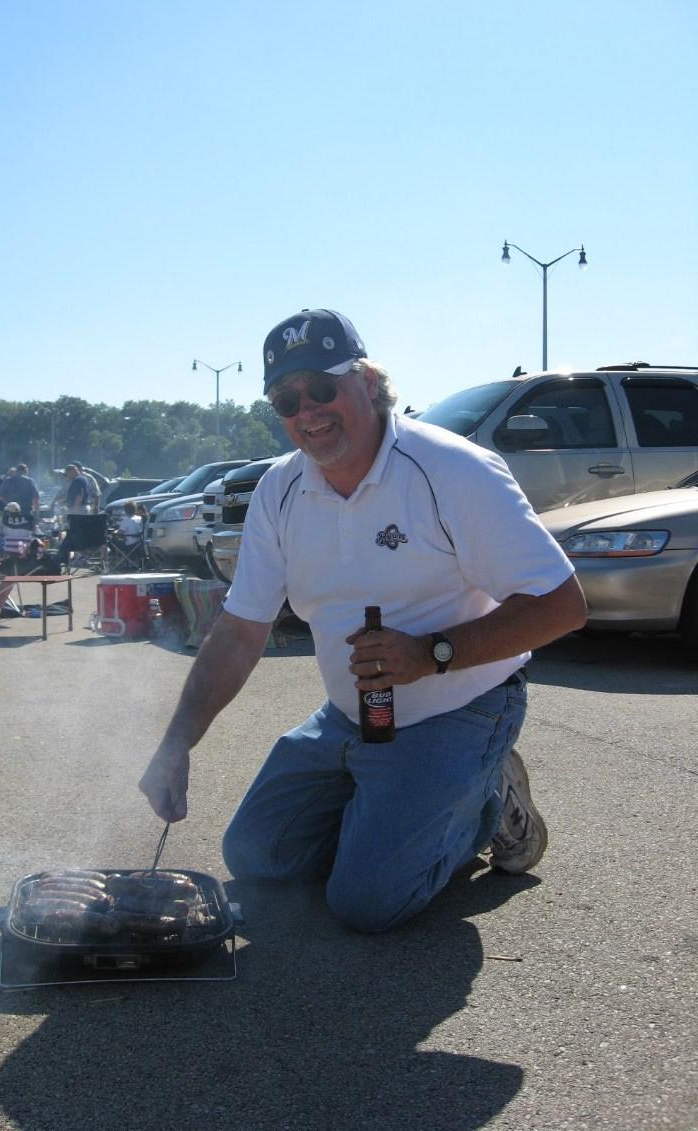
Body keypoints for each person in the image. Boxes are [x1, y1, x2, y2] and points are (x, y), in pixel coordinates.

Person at [139, 308, 587, 934]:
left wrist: (431, 653)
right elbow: (241, 629)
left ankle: (488, 799)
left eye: (322, 388)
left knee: (367, 902)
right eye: (287, 399)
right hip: (350, 716)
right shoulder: (279, 491)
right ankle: (395, 806)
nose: (308, 411)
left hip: (459, 707)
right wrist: (175, 743)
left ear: (369, 382)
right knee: (257, 858)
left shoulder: (451, 470)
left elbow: (562, 605)